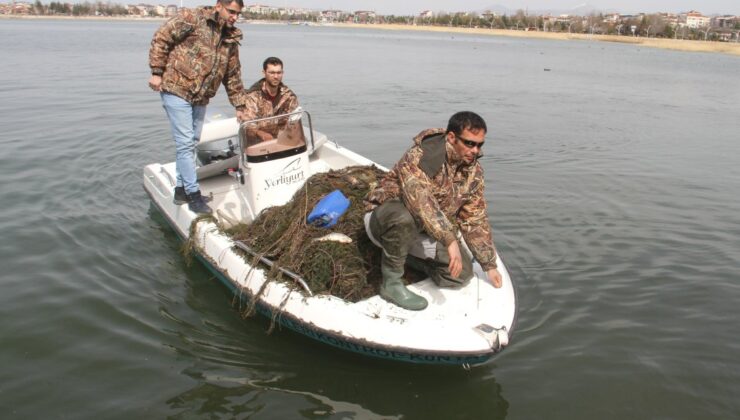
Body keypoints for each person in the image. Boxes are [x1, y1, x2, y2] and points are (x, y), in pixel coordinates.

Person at [364, 111, 503, 311]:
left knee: (462, 274)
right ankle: (391, 284)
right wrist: (449, 239)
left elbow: (474, 219)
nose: (475, 150)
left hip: (424, 231)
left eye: (480, 144)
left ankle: (403, 257)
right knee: (404, 218)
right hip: (384, 220)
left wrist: (489, 264)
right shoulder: (421, 156)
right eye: (469, 143)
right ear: (452, 137)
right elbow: (421, 202)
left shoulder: (473, 172)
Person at [148, 0, 249, 214]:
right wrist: (157, 72)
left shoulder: (230, 38)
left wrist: (240, 105)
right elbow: (162, 37)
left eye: (238, 14)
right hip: (177, 87)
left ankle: (180, 190)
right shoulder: (192, 18)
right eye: (231, 12)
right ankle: (194, 195)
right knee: (185, 144)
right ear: (218, 5)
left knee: (191, 142)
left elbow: (232, 75)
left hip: (201, 97)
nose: (234, 17)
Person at [242, 57, 300, 142]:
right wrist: (260, 133)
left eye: (279, 73)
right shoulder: (253, 96)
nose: (276, 76)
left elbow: (294, 119)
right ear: (264, 73)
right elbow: (247, 125)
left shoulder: (289, 96)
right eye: (272, 73)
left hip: (282, 142)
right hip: (256, 144)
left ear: (282, 73)